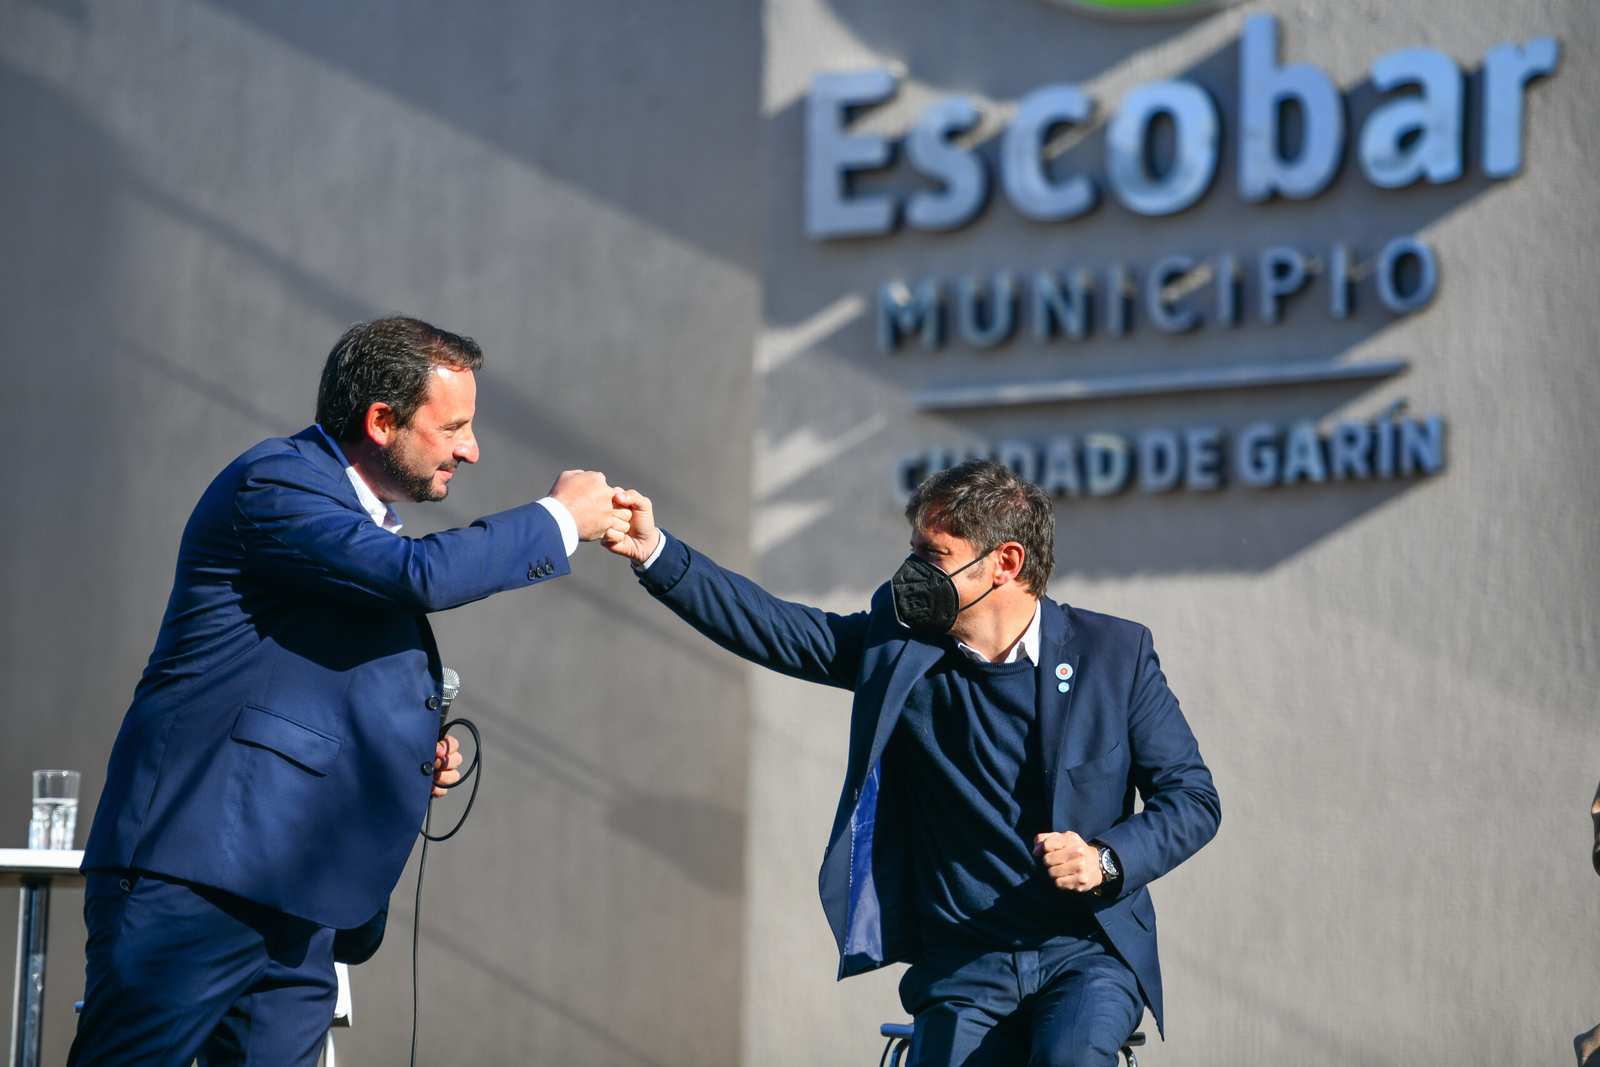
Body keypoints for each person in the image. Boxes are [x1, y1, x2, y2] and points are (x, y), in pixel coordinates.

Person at [70, 317, 625, 1066]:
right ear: (381, 420)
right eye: (455, 426)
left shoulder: (352, 521)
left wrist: (408, 753)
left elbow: (312, 689)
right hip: (198, 882)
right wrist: (558, 518)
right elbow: (417, 577)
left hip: (298, 902)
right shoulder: (277, 481)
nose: (472, 448)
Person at [602, 459, 1221, 1067]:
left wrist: (1104, 858)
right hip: (962, 962)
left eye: (935, 556)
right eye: (914, 550)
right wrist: (656, 552)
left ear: (1007, 562)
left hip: (1086, 954)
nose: (911, 574)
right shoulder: (900, 646)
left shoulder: (1114, 654)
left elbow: (1191, 799)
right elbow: (778, 629)